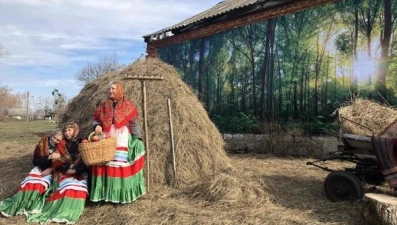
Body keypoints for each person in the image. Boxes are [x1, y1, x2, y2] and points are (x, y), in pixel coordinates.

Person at [90, 80, 146, 203]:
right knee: (105, 163)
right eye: (109, 89)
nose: (110, 91)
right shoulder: (103, 106)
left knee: (119, 165)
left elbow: (133, 124)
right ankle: (106, 195)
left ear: (119, 90)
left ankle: (120, 195)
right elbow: (94, 119)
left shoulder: (128, 106)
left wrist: (138, 139)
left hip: (121, 137)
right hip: (106, 136)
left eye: (113, 89)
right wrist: (97, 126)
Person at [27, 121, 88, 224]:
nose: (67, 133)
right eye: (65, 130)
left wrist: (76, 170)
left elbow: (87, 160)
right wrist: (67, 169)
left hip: (79, 171)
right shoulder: (61, 144)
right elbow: (56, 161)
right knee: (66, 187)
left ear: (76, 130)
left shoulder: (83, 142)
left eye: (69, 130)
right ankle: (58, 209)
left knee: (78, 188)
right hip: (63, 171)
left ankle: (72, 210)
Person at [0, 128, 63, 217]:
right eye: (54, 138)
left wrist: (51, 169)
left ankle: (32, 205)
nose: (55, 141)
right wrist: (49, 157)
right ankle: (20, 204)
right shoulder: (42, 144)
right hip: (40, 167)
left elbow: (63, 161)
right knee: (29, 183)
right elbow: (35, 161)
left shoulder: (61, 146)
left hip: (54, 170)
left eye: (58, 140)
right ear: (51, 135)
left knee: (39, 185)